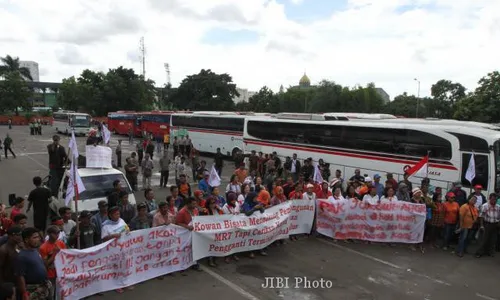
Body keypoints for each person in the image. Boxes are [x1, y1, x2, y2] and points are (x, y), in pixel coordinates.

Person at [15, 227, 50, 300]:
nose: (38, 239)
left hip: (43, 287)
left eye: (38, 237)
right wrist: (25, 293)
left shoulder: (35, 251)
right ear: (26, 240)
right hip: (33, 290)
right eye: (35, 237)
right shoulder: (22, 256)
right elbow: (20, 276)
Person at [39, 225, 66, 298]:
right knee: (51, 294)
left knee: (61, 293)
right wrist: (54, 253)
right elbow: (46, 264)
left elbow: (66, 257)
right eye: (54, 233)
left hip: (60, 273)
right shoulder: (43, 247)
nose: (57, 235)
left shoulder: (61, 243)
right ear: (49, 234)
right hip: (50, 275)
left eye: (58, 233)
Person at [475, 193, 500, 258]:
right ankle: (479, 252)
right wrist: (481, 225)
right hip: (486, 224)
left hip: (495, 225)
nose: (494, 201)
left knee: (492, 240)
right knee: (483, 239)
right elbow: (481, 216)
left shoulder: (498, 207)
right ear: (489, 199)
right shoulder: (485, 206)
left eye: (495, 199)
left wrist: (498, 223)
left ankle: (489, 252)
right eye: (492, 199)